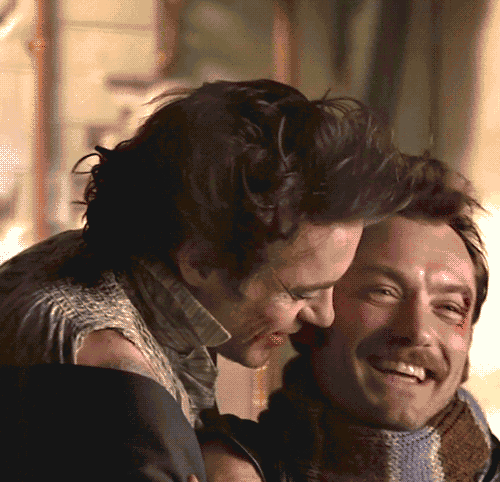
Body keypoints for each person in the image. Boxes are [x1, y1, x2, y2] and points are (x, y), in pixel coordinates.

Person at [0, 80, 421, 480]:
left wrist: (222, 448)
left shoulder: (84, 255)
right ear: (200, 261)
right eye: (301, 292)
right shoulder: (118, 389)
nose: (324, 316)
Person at [199, 155, 500, 482]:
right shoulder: (215, 466)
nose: (417, 332)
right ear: (311, 315)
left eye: (449, 308)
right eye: (383, 291)